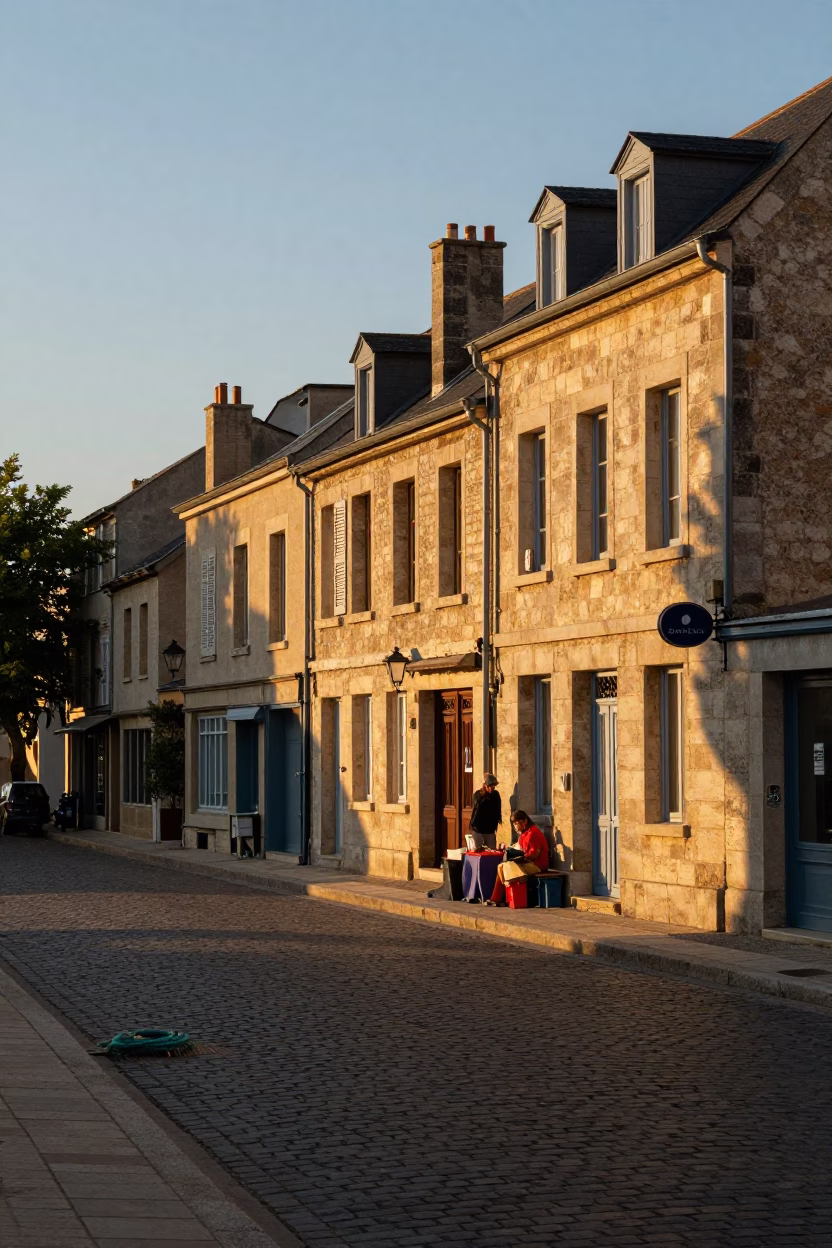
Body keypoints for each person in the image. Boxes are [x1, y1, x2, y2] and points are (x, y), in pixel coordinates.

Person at [486, 810, 549, 906]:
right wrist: (507, 847)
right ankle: (498, 898)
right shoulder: (524, 834)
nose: (515, 827)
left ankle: (501, 898)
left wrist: (521, 859)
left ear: (525, 821)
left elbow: (534, 855)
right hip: (528, 862)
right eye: (514, 824)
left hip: (537, 865)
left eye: (516, 823)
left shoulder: (533, 833)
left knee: (506, 868)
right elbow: (517, 846)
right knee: (501, 866)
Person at [468, 773, 502, 850]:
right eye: (490, 786)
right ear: (485, 785)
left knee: (492, 851)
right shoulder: (478, 794)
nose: (492, 788)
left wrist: (497, 821)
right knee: (477, 850)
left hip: (490, 829)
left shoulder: (495, 795)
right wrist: (484, 794)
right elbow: (477, 804)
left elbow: (497, 808)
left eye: (494, 786)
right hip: (478, 829)